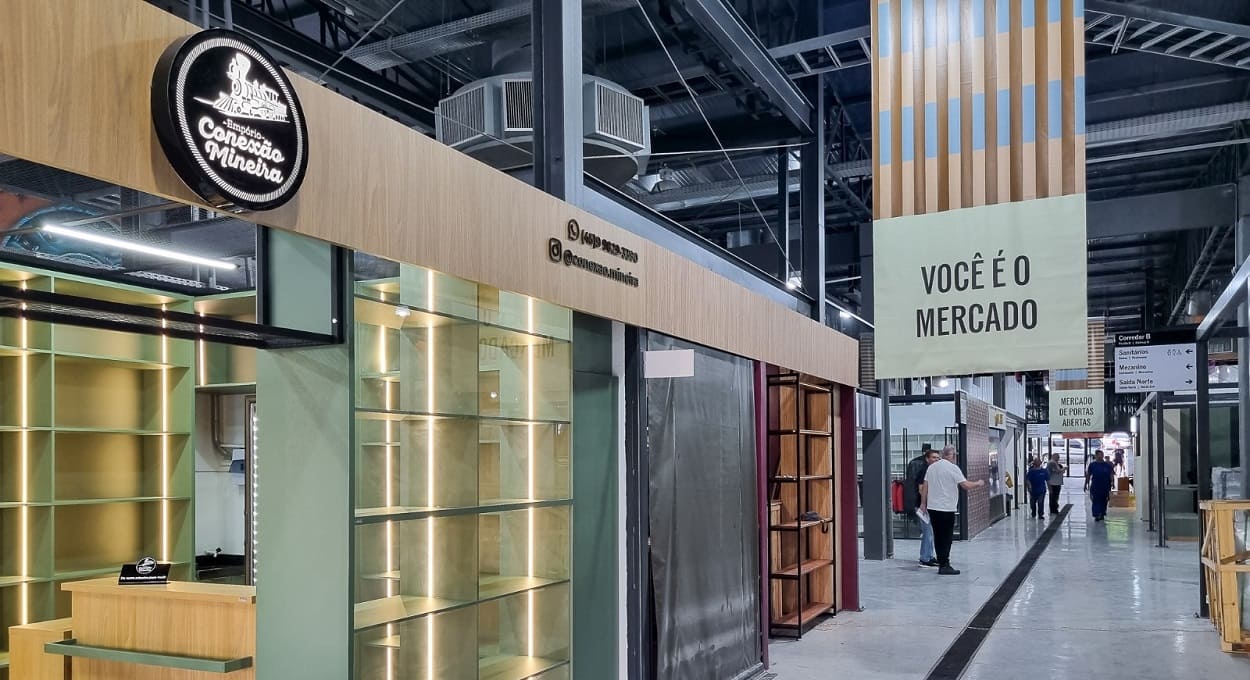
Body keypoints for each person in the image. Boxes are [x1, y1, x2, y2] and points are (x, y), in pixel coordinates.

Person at [920, 446, 986, 575]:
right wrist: (978, 483)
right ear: (952, 455)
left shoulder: (931, 467)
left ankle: (941, 562)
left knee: (938, 537)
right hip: (946, 508)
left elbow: (925, 487)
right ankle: (945, 564)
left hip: (933, 508)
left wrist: (923, 503)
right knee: (946, 537)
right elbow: (965, 485)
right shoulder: (953, 468)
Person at [914, 448, 941, 567]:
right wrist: (925, 503)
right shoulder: (924, 470)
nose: (936, 459)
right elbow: (921, 489)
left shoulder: (932, 470)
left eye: (938, 457)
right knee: (927, 532)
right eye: (934, 457)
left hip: (929, 505)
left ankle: (929, 555)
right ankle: (924, 558)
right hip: (924, 506)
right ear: (927, 459)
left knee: (930, 532)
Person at [1085, 450, 1116, 522]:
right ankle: (1097, 514)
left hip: (1105, 486)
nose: (1100, 456)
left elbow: (1111, 474)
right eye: (1099, 455)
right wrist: (1086, 483)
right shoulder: (1092, 465)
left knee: (1104, 500)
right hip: (1095, 485)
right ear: (1095, 456)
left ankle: (1102, 513)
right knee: (1095, 500)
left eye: (1102, 455)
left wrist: (1112, 482)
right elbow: (1088, 475)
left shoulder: (1107, 465)